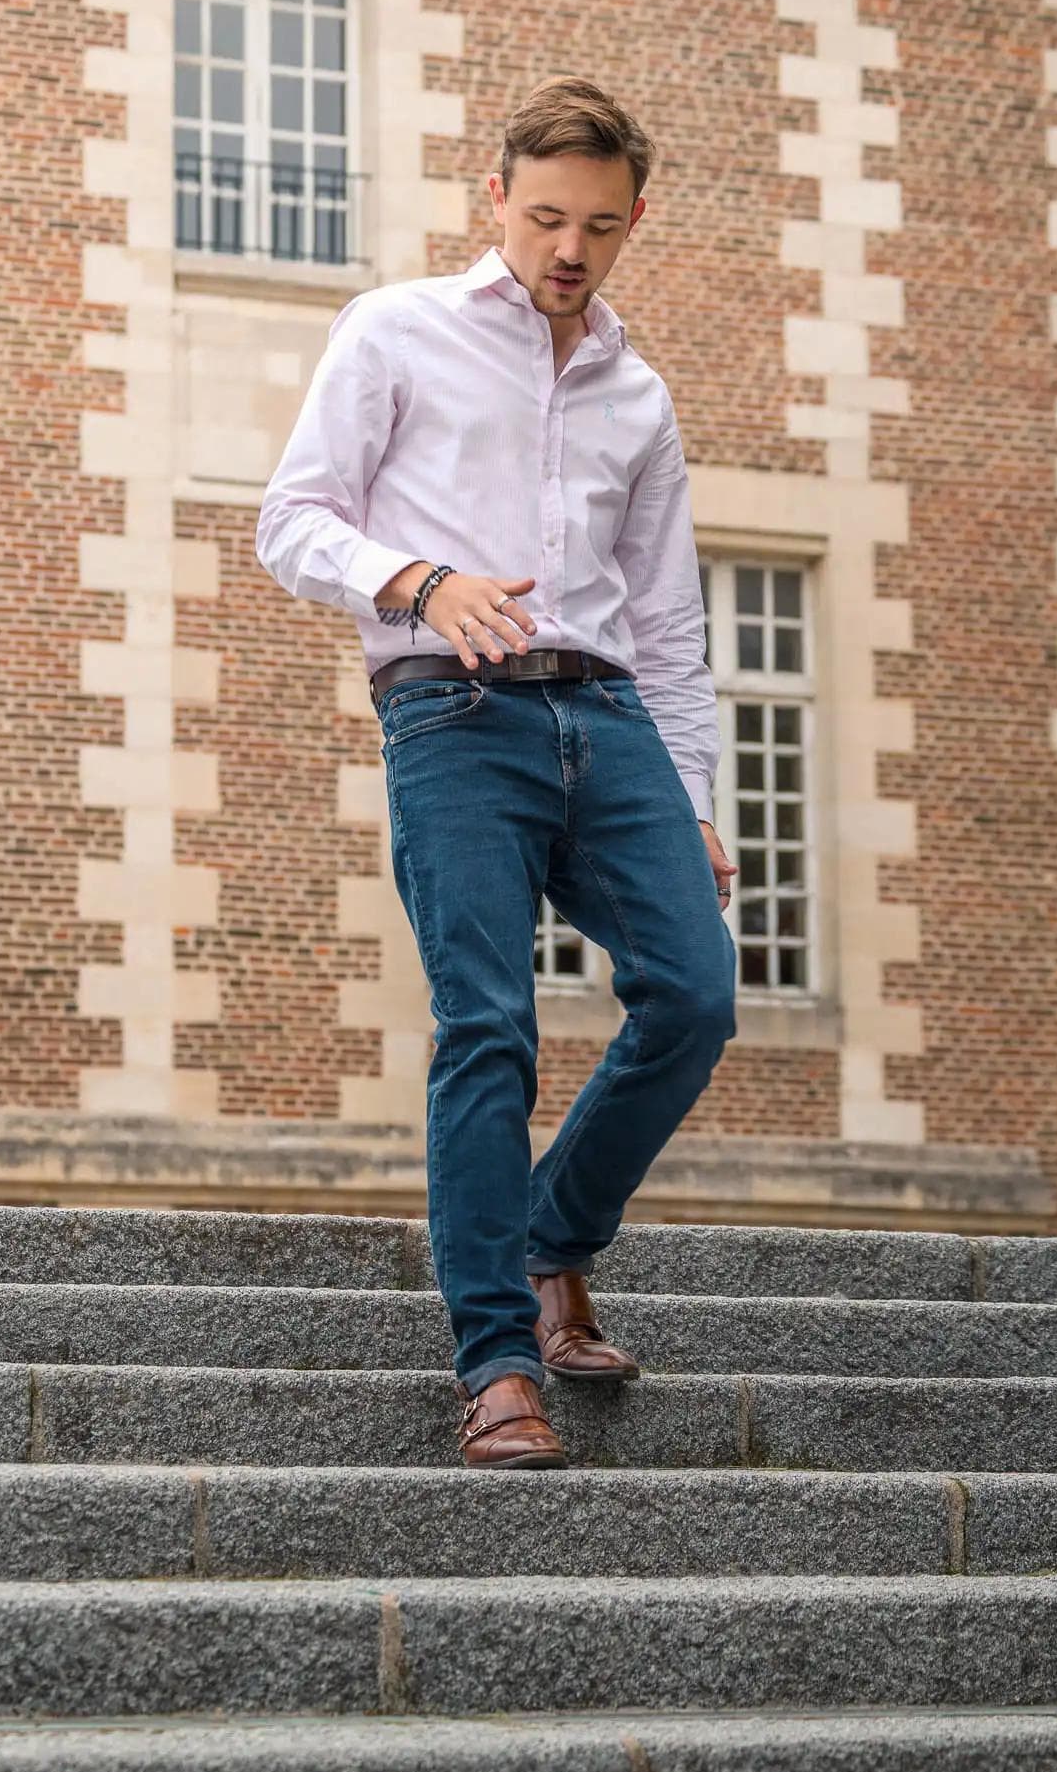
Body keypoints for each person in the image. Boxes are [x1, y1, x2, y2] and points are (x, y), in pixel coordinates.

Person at [257, 75, 737, 1469]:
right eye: (542, 219)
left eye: (597, 225)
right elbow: (292, 524)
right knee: (489, 1022)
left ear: (634, 220)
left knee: (696, 995)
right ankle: (498, 1360)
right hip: (454, 719)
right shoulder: (394, 331)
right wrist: (419, 581)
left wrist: (696, 795)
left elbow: (665, 620)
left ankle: (553, 1240)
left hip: (612, 722)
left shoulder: (638, 393)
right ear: (496, 202)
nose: (567, 250)